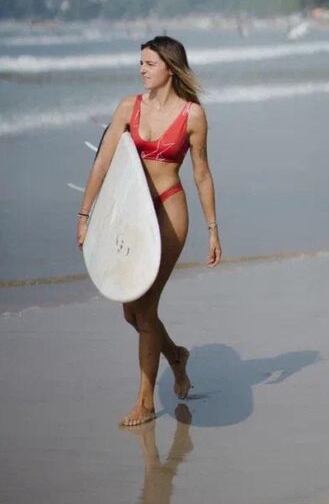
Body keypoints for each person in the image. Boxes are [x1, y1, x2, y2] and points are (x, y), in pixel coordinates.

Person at [76, 35, 222, 427]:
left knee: (146, 306)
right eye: (140, 63)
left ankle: (143, 402)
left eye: (149, 63)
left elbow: (202, 174)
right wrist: (85, 214)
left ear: (169, 68)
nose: (142, 70)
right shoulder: (129, 107)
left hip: (170, 209)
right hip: (132, 212)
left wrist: (212, 229)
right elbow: (103, 163)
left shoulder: (193, 115)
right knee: (130, 310)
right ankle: (176, 355)